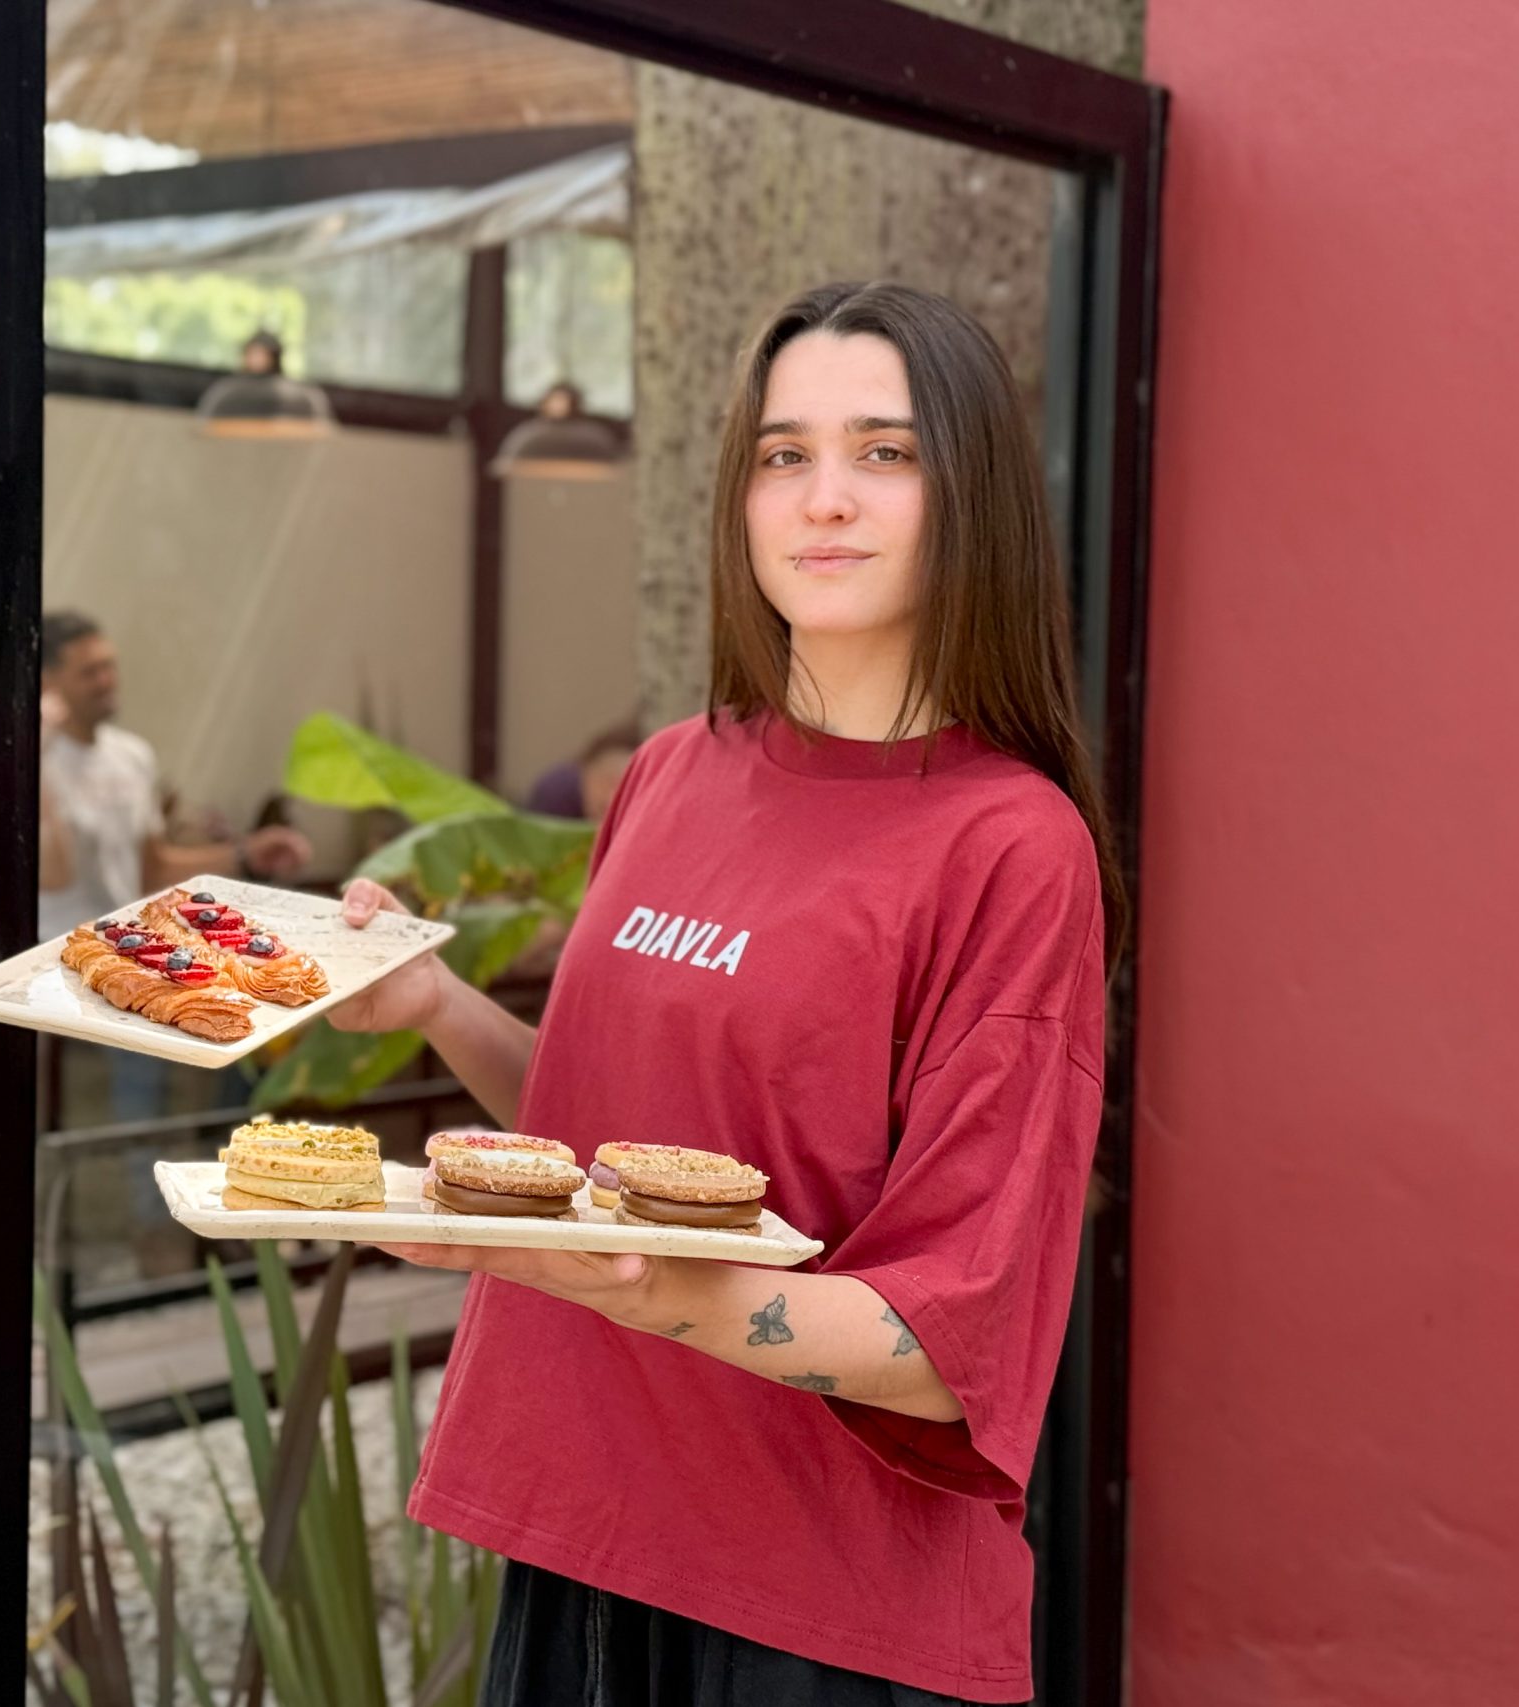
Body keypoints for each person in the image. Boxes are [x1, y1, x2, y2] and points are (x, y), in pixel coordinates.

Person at [332, 282, 1124, 1705]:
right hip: (578, 1532)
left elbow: (946, 1348)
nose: (825, 499)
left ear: (973, 499)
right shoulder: (676, 768)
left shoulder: (1012, 846)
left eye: (884, 452)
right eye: (783, 454)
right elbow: (619, 1148)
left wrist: (641, 1293)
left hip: (811, 1611)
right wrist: (440, 1005)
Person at [37, 610, 310, 1122]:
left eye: (109, 667)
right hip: (61, 956)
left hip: (129, 942)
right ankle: (145, 1185)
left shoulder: (131, 756)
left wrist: (248, 854)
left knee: (244, 1001)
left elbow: (153, 868)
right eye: (89, 672)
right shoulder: (38, 762)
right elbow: (55, 874)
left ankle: (216, 1146)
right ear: (49, 681)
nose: (106, 681)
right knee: (145, 1045)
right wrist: (35, 746)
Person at [523, 721, 640, 823]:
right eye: (607, 781)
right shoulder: (557, 790)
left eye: (625, 789)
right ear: (586, 770)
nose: (611, 798)